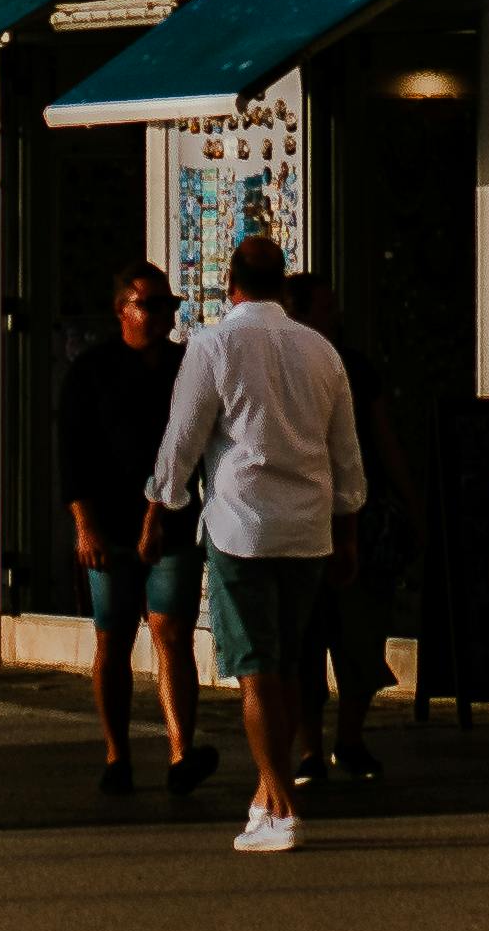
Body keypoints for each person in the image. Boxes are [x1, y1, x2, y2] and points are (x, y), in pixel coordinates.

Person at [145, 232, 364, 856]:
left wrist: (160, 509)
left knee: (255, 670)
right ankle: (269, 794)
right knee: (287, 661)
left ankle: (279, 800)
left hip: (242, 524)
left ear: (230, 286)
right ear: (281, 283)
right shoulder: (321, 350)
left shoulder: (213, 345)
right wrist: (348, 530)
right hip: (309, 528)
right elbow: (346, 453)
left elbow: (181, 440)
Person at [57, 266, 202, 802]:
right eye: (154, 306)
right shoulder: (90, 371)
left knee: (171, 632)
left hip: (174, 518)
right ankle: (117, 753)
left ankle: (181, 752)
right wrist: (84, 526)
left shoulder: (187, 366)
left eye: (170, 306)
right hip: (111, 524)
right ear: (124, 310)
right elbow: (73, 456)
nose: (167, 316)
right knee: (113, 637)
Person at [284, 274, 416, 784]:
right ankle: (310, 749)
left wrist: (408, 502)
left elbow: (382, 438)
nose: (334, 316)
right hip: (301, 519)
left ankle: (350, 739)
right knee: (305, 640)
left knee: (361, 634)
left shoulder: (355, 367)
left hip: (360, 509)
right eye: (324, 307)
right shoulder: (282, 367)